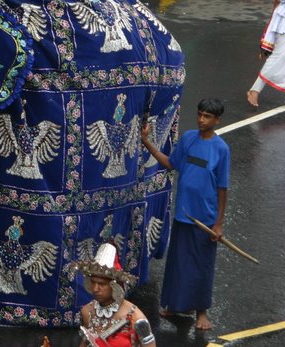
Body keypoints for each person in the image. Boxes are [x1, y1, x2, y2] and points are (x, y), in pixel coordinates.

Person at [141, 98, 229, 333]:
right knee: (178, 262)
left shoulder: (221, 149)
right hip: (183, 214)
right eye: (200, 114)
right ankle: (174, 305)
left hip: (206, 219)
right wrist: (147, 143)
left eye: (207, 116)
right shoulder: (189, 138)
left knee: (201, 265)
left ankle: (201, 312)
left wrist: (219, 224)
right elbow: (171, 164)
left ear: (217, 120)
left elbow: (223, 188)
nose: (201, 119)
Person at [70, 243, 155, 347]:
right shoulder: (87, 311)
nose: (95, 289)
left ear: (115, 286)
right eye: (93, 282)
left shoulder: (136, 317)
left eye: (101, 284)